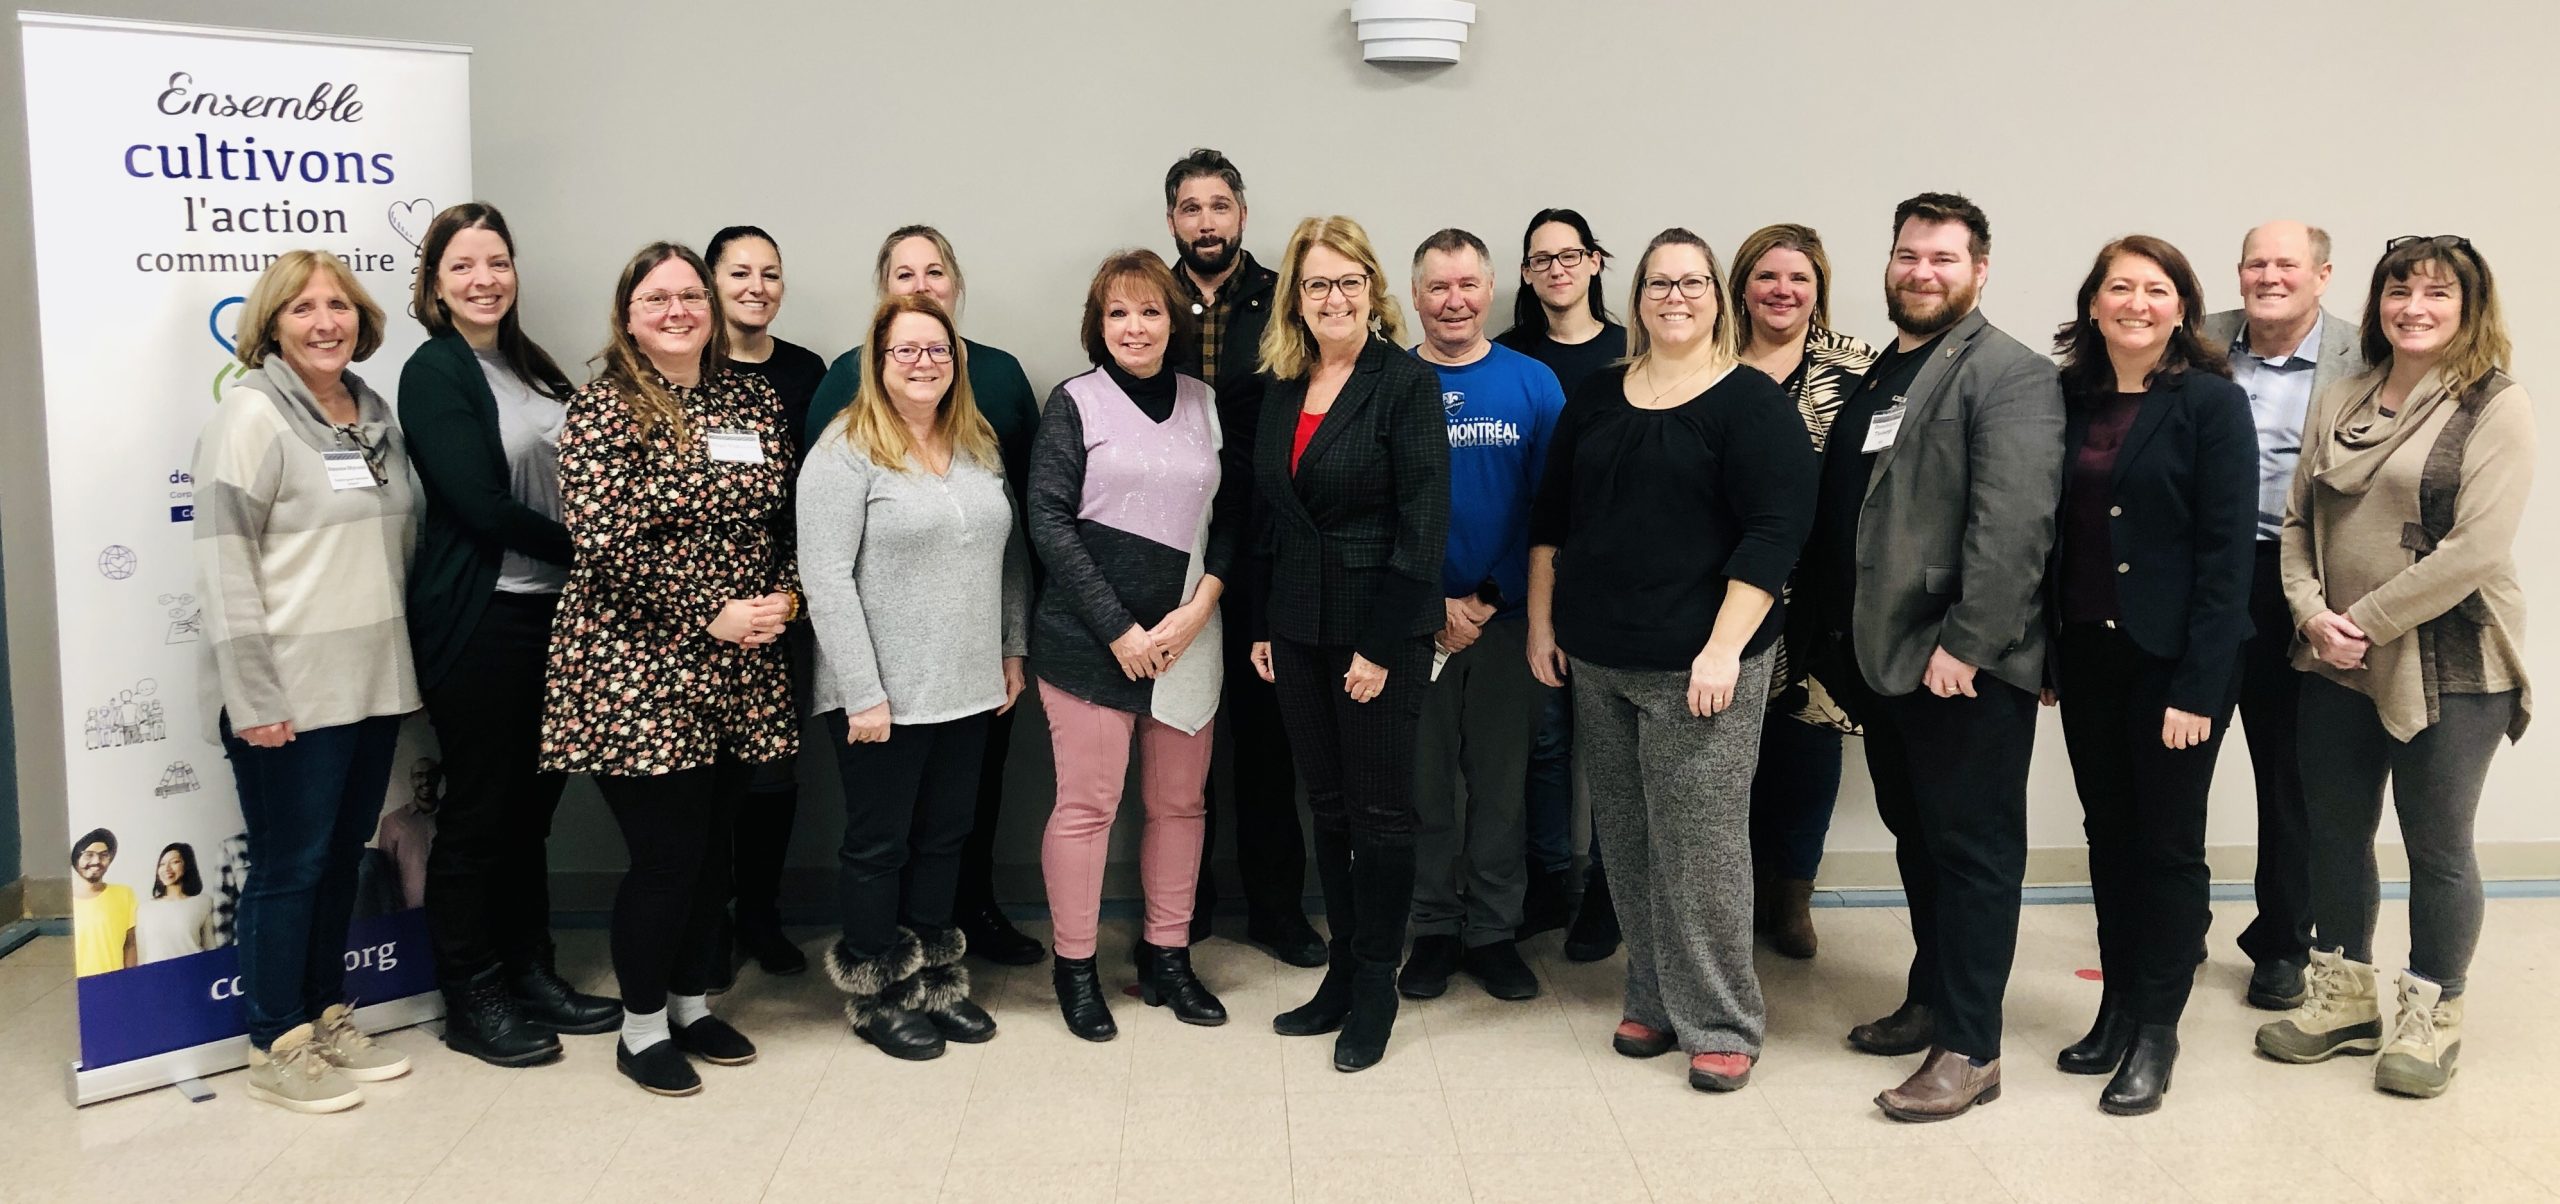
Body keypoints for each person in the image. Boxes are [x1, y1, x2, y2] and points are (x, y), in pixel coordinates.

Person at [1526, 228, 1816, 1092]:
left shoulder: (1751, 402)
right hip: (1601, 660)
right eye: (1660, 282)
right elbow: (1551, 522)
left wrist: (1724, 649)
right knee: (1628, 841)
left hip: (1704, 667)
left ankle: (1723, 1021)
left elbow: (1774, 537)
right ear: (1637, 295)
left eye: (1693, 283)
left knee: (1702, 850)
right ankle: (1652, 998)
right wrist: (1543, 628)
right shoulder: (1601, 397)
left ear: (1716, 298)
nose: (1675, 297)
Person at [1806, 195, 2064, 1123]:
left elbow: (2016, 526)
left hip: (1957, 663)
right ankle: (1930, 998)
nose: (1921, 272)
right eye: (1909, 255)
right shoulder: (1891, 370)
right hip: (1888, 662)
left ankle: (1972, 1046)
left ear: (1980, 271)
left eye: (1943, 259)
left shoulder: (2011, 374)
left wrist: (1969, 642)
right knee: (1921, 842)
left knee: (1973, 854)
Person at [2258, 236, 2533, 1099]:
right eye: (2399, 291)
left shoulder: (2497, 405)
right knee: (2334, 833)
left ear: (2469, 305)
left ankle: (2432, 1012)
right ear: (2376, 304)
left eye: (2438, 293)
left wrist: (2364, 622)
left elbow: (2477, 549)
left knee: (2437, 846)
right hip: (2334, 652)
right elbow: (2297, 522)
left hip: (2453, 660)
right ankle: (2343, 1001)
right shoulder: (2341, 395)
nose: (2415, 306)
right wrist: (2312, 615)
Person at [540, 241, 798, 1097]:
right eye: (658, 298)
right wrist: (708, 611)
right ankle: (640, 1026)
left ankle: (690, 1004)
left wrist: (782, 600)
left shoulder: (748, 398)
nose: (679, 310)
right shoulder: (604, 407)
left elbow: (782, 519)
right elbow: (602, 539)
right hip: (637, 661)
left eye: (691, 295)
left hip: (740, 661)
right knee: (667, 855)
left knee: (714, 850)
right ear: (628, 316)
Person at [194, 250, 420, 1111]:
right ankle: (273, 1043)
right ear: (271, 324)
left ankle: (326, 1016)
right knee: (289, 869)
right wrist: (254, 698)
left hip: (369, 687)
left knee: (336, 865)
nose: (327, 321)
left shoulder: (370, 411)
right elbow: (224, 567)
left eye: (340, 305)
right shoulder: (249, 415)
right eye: (303, 308)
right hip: (289, 693)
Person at [399, 201, 618, 1068]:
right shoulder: (435, 371)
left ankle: (532, 972)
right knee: (482, 815)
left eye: (497, 262)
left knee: (535, 814)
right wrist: (601, 549)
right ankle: (472, 994)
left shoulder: (533, 366)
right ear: (435, 283)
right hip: (485, 620)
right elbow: (479, 506)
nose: (484, 279)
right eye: (463, 266)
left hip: (556, 617)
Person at [2044, 235, 2256, 1115]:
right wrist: (2049, 650)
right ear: (2093, 304)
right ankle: (2118, 1002)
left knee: (2166, 846)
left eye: (2156, 289)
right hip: (2087, 656)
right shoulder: (2066, 398)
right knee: (2108, 835)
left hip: (2175, 666)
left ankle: (2158, 1030)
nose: (2136, 302)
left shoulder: (2211, 404)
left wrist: (2200, 688)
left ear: (2182, 307)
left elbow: (2225, 558)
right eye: (2118, 287)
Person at [806, 226, 1044, 967]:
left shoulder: (976, 446)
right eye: (905, 350)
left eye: (936, 350)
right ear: (876, 362)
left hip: (967, 685)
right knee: (880, 845)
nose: (923, 362)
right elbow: (825, 577)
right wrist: (862, 693)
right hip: (884, 694)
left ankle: (936, 977)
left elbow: (1005, 552)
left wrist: (1011, 647)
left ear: (957, 360)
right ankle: (878, 988)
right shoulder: (845, 451)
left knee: (946, 838)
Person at [1248, 215, 1449, 1073]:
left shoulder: (1401, 384)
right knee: (1326, 808)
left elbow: (1423, 528)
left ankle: (1377, 984)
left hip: (1378, 633)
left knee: (1381, 813)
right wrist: (1263, 621)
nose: (1333, 298)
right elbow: (1267, 518)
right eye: (1317, 283)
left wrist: (1377, 644)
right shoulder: (1282, 383)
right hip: (1294, 628)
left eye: (1348, 282)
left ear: (1374, 290)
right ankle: (1339, 971)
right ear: (1296, 296)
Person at [1027, 250, 1240, 1039]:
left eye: (1151, 310)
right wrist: (1118, 628)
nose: (1136, 326)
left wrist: (1196, 611)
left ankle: (1168, 958)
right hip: (1090, 646)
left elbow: (1233, 522)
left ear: (1173, 319)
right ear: (1099, 324)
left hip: (1189, 643)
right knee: (1088, 807)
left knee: (1181, 806)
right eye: (1119, 312)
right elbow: (1047, 519)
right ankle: (1076, 970)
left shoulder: (1206, 402)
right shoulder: (1074, 402)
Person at [1160, 149, 1325, 966]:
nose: (1206, 222)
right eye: (1190, 208)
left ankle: (1277, 910)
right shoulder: (1147, 300)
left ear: (1242, 215)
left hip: (1265, 545)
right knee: (1182, 735)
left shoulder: (1284, 299)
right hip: (1175, 545)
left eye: (1219, 205)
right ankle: (1182, 909)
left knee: (1267, 740)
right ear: (1173, 222)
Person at [2200, 221, 2370, 1011]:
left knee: (2288, 776)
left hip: (2300, 584)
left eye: (2287, 264)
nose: (2269, 276)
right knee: (2174, 762)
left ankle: (2281, 943)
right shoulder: (2195, 343)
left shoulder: (2361, 359)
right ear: (2238, 274)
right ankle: (2174, 924)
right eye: (2255, 263)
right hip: (2201, 578)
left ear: (2323, 275)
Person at [1399, 228, 1564, 1005]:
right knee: (1423, 787)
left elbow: (1552, 507)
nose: (1454, 301)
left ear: (1491, 290)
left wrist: (1484, 600)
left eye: (1468, 286)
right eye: (1438, 287)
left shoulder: (1533, 385)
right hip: (1409, 623)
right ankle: (1431, 929)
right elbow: (1374, 510)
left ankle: (1493, 932)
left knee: (1500, 787)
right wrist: (1431, 603)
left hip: (1504, 625)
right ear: (1415, 295)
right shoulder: (1387, 383)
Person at [1731, 223, 1877, 962]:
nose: (1782, 291)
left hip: (1823, 590)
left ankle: (1793, 893)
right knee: (1728, 745)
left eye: (1799, 278)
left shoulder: (1860, 370)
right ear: (1744, 285)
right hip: (1729, 588)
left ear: (1818, 289)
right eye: (1767, 276)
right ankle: (1740, 886)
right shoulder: (1711, 361)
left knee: (1809, 743)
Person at [1494, 207, 1627, 960]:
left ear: (1596, 262)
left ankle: (1607, 893)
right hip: (1533, 582)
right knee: (1544, 743)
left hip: (1611, 583)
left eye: (1570, 254)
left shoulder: (1630, 354)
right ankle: (1548, 882)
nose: (1558, 268)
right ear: (1525, 274)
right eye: (1542, 258)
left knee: (1609, 750)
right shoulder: (1509, 357)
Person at [708, 223, 829, 978]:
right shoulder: (686, 367)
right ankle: (707, 924)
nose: (758, 287)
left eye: (772, 273)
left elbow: (818, 494)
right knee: (705, 778)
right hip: (702, 610)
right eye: (740, 273)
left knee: (773, 773)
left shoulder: (807, 372)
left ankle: (759, 915)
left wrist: (789, 595)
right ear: (712, 282)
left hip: (784, 602)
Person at [136, 842, 220, 963]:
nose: (167, 868)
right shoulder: (145, 909)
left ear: (187, 865)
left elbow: (211, 949)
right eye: (162, 864)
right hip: (157, 978)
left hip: (193, 973)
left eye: (175, 862)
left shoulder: (203, 902)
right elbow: (142, 957)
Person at [70, 829, 137, 976]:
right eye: (89, 855)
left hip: (113, 985)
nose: (96, 861)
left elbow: (130, 945)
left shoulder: (124, 894)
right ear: (76, 858)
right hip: (75, 987)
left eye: (103, 855)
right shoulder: (63, 900)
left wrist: (131, 981)